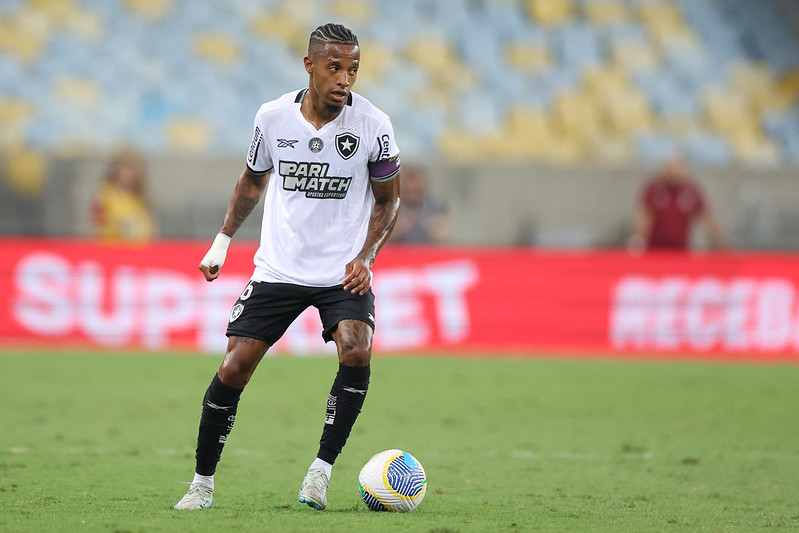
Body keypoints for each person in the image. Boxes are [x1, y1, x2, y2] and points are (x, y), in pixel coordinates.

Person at [173, 23, 401, 511]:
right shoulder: (273, 117)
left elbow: (389, 200)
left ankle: (320, 474)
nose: (345, 79)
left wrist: (366, 256)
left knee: (355, 349)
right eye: (335, 67)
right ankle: (201, 485)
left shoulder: (373, 125)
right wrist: (222, 240)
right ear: (310, 66)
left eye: (353, 69)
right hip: (278, 268)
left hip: (342, 271)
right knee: (234, 367)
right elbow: (252, 182)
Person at [628, 155, 725, 252]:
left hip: (681, 251)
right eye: (669, 168)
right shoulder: (654, 190)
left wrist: (718, 244)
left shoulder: (692, 190)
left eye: (676, 168)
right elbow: (644, 217)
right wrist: (638, 241)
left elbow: (708, 218)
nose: (673, 172)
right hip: (655, 251)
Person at [91, 150, 156, 243]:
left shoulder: (140, 197)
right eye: (126, 168)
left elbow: (148, 224)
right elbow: (96, 220)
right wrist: (118, 225)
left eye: (133, 169)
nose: (129, 174)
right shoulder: (105, 192)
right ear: (117, 169)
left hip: (133, 249)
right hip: (108, 246)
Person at [389, 165, 449, 243]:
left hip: (427, 251)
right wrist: (394, 230)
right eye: (409, 190)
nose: (412, 187)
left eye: (415, 190)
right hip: (398, 251)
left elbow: (444, 233)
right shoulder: (390, 207)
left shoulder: (435, 206)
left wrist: (436, 228)